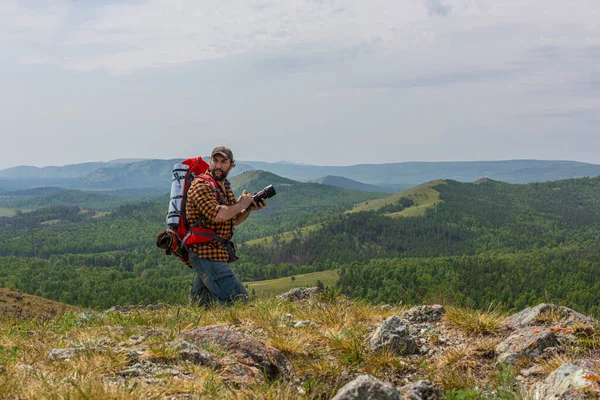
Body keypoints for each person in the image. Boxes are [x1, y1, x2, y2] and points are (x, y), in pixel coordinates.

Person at [185, 146, 265, 306]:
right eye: (215, 160)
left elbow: (232, 220)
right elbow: (218, 215)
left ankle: (192, 330)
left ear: (232, 165)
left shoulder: (225, 188)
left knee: (201, 308)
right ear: (210, 162)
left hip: (215, 253)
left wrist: (247, 208)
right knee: (239, 302)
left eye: (223, 161)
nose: (218, 165)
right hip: (206, 254)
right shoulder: (200, 185)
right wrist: (241, 204)